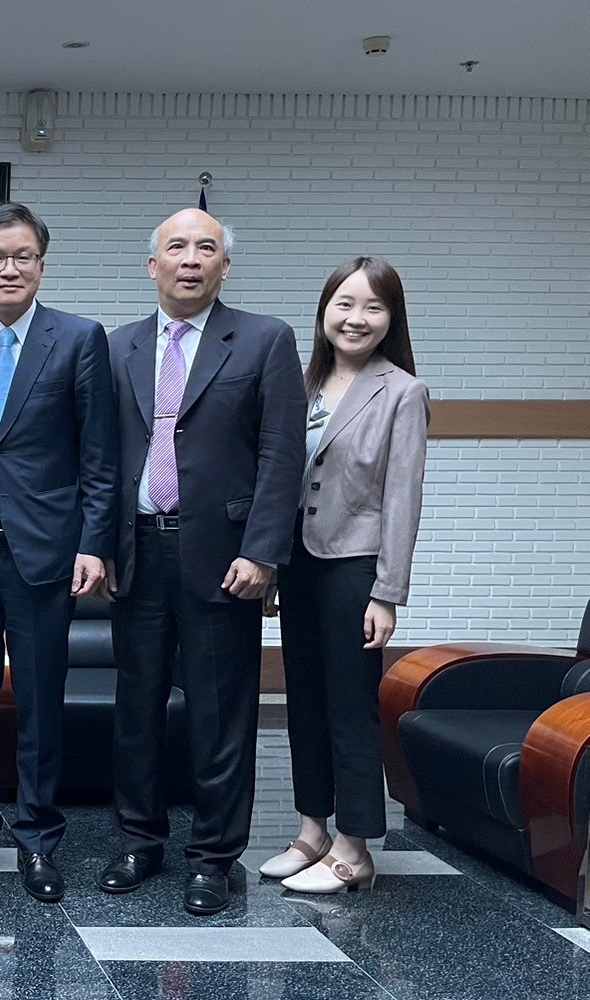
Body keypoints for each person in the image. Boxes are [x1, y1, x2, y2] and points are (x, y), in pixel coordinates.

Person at [97, 209, 305, 916]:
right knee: (136, 708)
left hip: (223, 555)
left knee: (221, 713)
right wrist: (102, 545)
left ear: (224, 267)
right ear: (151, 266)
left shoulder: (264, 340)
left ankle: (214, 857)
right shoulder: (118, 346)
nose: (190, 258)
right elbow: (102, 458)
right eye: (176, 247)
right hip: (137, 551)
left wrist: (262, 551)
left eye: (205, 248)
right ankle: (138, 841)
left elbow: (281, 454)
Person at [0, 203, 117, 903]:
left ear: (41, 264)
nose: (8, 268)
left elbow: (99, 456)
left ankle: (37, 838)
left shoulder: (79, 339)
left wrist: (93, 543)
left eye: (22, 256)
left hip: (46, 548)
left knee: (39, 700)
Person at [258, 257, 428, 893]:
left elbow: (403, 498)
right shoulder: (301, 383)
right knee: (303, 701)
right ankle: (313, 830)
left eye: (373, 307)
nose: (356, 318)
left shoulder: (402, 392)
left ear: (391, 318)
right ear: (324, 311)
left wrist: (388, 592)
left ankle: (355, 849)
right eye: (344, 304)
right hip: (299, 562)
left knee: (351, 707)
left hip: (356, 567)